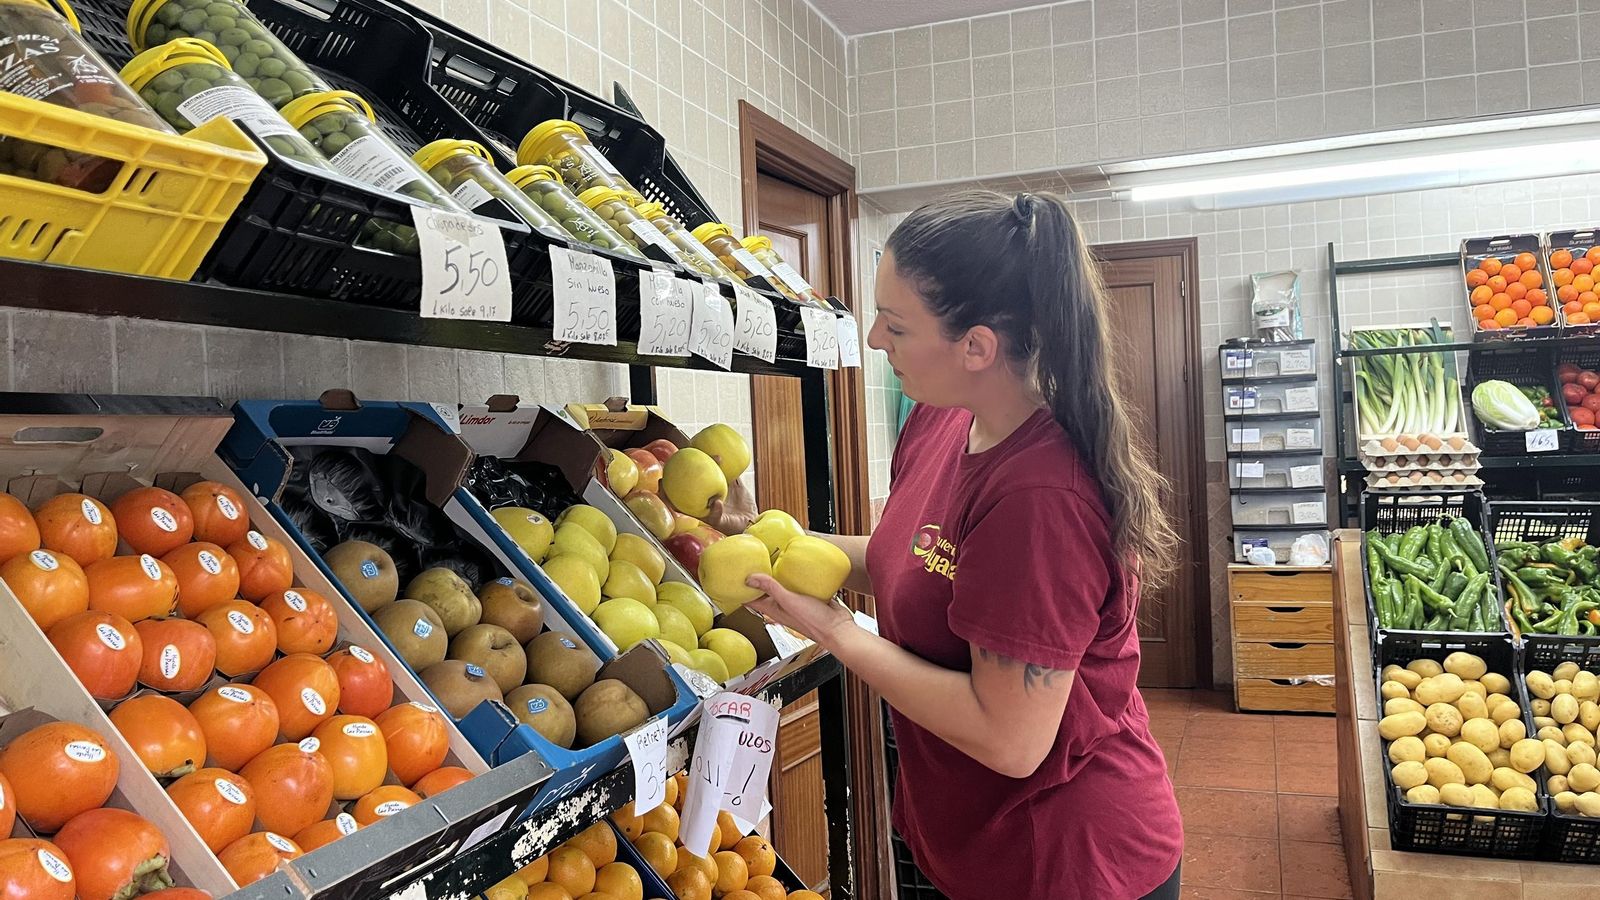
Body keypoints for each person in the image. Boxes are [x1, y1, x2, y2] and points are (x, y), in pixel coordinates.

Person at [713, 191, 1184, 899]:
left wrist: (835, 629)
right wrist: (772, 541)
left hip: (1060, 860)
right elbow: (912, 561)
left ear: (977, 346)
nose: (874, 339)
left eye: (896, 326)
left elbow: (1011, 739)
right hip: (966, 839)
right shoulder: (940, 422)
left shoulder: (1040, 498)